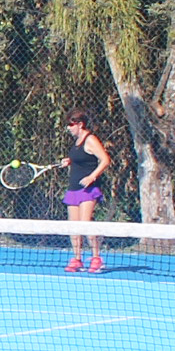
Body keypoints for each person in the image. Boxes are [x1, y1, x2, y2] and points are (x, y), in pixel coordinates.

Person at [60, 109, 114, 275]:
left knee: (86, 224)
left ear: (80, 124)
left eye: (71, 124)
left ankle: (97, 258)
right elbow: (82, 159)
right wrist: (69, 161)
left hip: (88, 190)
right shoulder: (76, 143)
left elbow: (105, 160)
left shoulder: (90, 139)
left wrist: (92, 177)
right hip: (73, 189)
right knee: (74, 228)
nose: (68, 128)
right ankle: (77, 259)